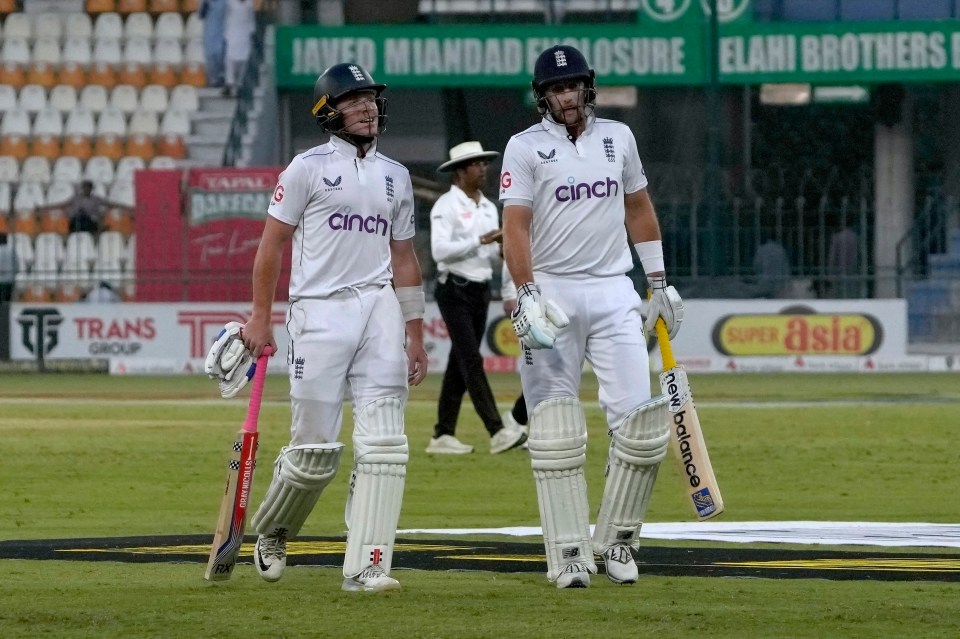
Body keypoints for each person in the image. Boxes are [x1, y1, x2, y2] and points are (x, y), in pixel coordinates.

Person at [204, 62, 428, 593]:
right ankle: (275, 530)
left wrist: (414, 332)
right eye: (355, 100)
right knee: (314, 453)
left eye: (371, 98)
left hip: (379, 306)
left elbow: (405, 257)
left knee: (385, 444)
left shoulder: (396, 176)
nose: (368, 107)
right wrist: (261, 316)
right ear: (329, 112)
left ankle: (368, 564)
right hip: (318, 311)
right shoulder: (304, 169)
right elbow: (271, 247)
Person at [500, 45, 684, 589]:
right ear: (544, 97)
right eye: (558, 89)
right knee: (555, 430)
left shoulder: (618, 138)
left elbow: (638, 208)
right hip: (552, 292)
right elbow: (515, 226)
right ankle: (568, 554)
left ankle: (618, 541)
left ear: (588, 88)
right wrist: (527, 293)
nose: (568, 96)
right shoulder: (523, 147)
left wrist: (658, 282)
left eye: (575, 86)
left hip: (611, 290)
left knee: (641, 428)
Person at [428, 141, 527, 456]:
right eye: (476, 164)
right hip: (453, 287)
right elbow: (439, 251)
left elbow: (494, 259)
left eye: (484, 163)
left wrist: (498, 251)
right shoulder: (446, 205)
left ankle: (443, 434)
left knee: (460, 360)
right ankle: (497, 430)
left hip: (481, 288)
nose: (483, 168)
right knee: (471, 358)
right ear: (460, 171)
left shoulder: (488, 207)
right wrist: (479, 240)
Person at [223, 0, 255, 97]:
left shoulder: (249, 2)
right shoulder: (230, 2)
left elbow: (251, 18)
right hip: (232, 32)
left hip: (245, 33)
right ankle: (229, 84)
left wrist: (251, 31)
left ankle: (240, 85)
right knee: (230, 59)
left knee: (244, 60)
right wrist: (226, 33)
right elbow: (226, 17)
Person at [199, 0, 226, 88]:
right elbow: (201, 15)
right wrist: (205, 5)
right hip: (209, 34)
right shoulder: (205, 1)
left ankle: (221, 77)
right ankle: (212, 80)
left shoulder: (225, 2)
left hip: (222, 33)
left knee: (221, 54)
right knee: (210, 56)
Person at [828, 224, 859, 298]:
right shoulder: (855, 237)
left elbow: (832, 256)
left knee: (839, 292)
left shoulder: (837, 237)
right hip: (852, 268)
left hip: (840, 268)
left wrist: (830, 272)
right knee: (851, 291)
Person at [0, 233, 14, 303]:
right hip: (9, 279)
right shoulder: (11, 250)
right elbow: (16, 264)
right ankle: (6, 312)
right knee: (7, 300)